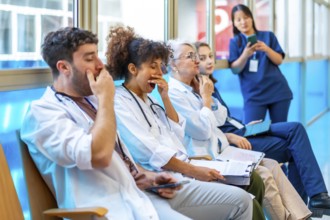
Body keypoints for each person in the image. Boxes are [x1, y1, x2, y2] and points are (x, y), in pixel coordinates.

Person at [19, 27, 247, 220]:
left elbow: (121, 159)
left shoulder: (93, 102)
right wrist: (107, 99)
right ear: (64, 67)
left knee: (242, 201)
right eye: (90, 58)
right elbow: (97, 154)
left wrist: (148, 176)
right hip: (106, 211)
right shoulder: (43, 114)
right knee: (239, 202)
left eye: (98, 56)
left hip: (138, 194)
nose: (100, 65)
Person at [106, 25, 264, 220]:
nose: (158, 72)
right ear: (132, 69)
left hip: (186, 168)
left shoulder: (152, 100)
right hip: (165, 180)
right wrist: (195, 170)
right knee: (243, 199)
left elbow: (176, 134)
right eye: (152, 66)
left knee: (253, 180)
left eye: (159, 66)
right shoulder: (120, 102)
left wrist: (165, 98)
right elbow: (151, 152)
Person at [167, 39, 313, 220]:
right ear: (173, 64)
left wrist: (206, 97)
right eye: (191, 57)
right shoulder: (174, 94)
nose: (197, 60)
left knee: (273, 165)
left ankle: (301, 217)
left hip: (221, 149)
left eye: (197, 56)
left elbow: (220, 117)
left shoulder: (195, 87)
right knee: (264, 174)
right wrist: (205, 98)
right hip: (206, 158)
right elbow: (203, 131)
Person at [228, 4, 292, 123]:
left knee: (281, 130)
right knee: (252, 132)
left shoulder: (268, 36)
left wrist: (266, 49)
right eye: (238, 19)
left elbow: (279, 60)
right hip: (253, 96)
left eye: (246, 17)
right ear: (234, 23)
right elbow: (235, 69)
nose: (243, 22)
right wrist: (245, 54)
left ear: (252, 18)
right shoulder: (235, 42)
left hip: (277, 90)